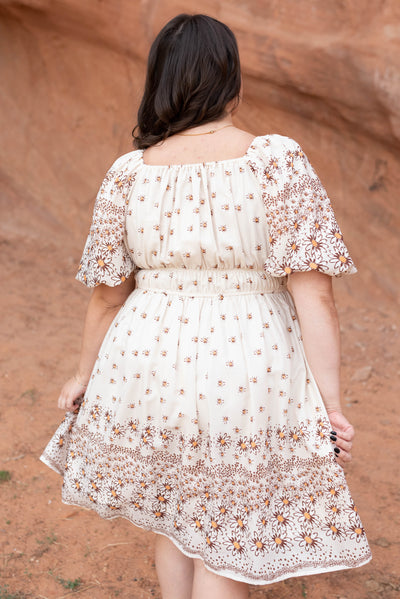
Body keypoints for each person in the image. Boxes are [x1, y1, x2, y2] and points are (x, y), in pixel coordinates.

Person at [40, 13, 372, 599]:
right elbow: (313, 290)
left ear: (160, 82)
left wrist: (83, 375)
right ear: (230, 80)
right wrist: (331, 404)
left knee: (175, 511)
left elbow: (107, 294)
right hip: (246, 360)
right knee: (226, 532)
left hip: (146, 360)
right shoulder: (274, 159)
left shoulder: (128, 173)